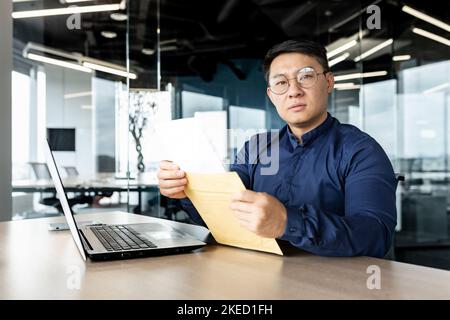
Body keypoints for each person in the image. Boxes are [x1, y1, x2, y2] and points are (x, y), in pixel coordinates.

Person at [157, 40, 397, 258]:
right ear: (272, 95)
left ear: (329, 81)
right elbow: (225, 218)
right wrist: (188, 192)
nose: (294, 91)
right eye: (281, 82)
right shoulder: (256, 147)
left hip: (331, 285)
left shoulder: (360, 150)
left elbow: (375, 236)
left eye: (306, 77)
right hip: (256, 275)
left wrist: (287, 222)